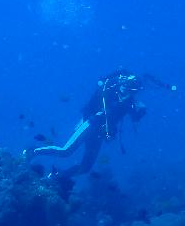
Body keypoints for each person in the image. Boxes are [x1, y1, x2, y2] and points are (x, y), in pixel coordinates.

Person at [29, 70, 175, 179]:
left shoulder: (129, 102)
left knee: (85, 167)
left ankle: (54, 178)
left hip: (99, 134)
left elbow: (135, 118)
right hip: (90, 123)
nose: (127, 92)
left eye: (132, 92)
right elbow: (95, 104)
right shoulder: (109, 90)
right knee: (66, 151)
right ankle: (32, 152)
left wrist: (141, 111)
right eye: (127, 88)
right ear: (123, 84)